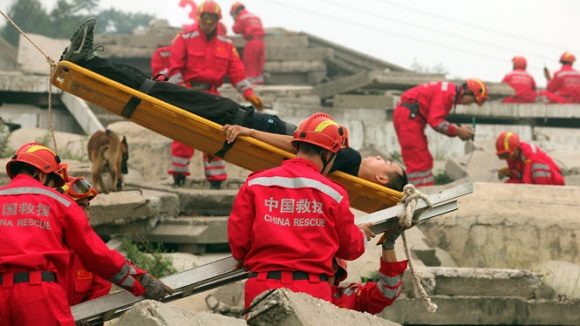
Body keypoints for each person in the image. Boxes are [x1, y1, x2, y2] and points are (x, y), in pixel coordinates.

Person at [60, 19, 407, 192]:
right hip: (232, 110)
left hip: (234, 116)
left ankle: (87, 61)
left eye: (386, 162)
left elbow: (296, 144)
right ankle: (89, 64)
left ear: (379, 176)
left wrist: (247, 128)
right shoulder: (340, 170)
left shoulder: (347, 158)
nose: (381, 156)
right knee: (155, 91)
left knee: (154, 90)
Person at [0, 142, 172, 325]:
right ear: (42, 174)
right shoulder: (60, 203)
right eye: (53, 182)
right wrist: (141, 280)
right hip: (38, 295)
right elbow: (97, 255)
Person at [228, 113, 370, 308]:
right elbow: (350, 248)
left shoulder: (256, 182)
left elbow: (239, 241)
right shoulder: (334, 193)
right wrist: (363, 235)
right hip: (312, 291)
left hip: (262, 286)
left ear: (297, 146)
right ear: (328, 154)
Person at [168, 0, 264, 190]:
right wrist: (181, 93)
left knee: (215, 135)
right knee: (183, 136)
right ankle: (178, 177)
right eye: (206, 18)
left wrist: (249, 94)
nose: (209, 22)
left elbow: (237, 73)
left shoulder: (226, 45)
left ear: (218, 20)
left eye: (212, 18)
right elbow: (174, 69)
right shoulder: (184, 38)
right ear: (199, 17)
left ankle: (216, 180)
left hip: (212, 96)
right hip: (188, 93)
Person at [393, 79, 488, 187]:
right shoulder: (447, 94)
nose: (469, 104)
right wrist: (457, 131)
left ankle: (425, 190)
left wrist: (458, 131)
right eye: (473, 100)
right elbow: (435, 121)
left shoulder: (447, 91)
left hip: (409, 116)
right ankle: (420, 192)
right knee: (419, 162)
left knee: (425, 160)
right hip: (408, 119)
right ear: (468, 92)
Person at [59, 174, 112, 308]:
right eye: (81, 206)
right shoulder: (39, 249)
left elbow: (102, 287)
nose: (87, 216)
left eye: (87, 207)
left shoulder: (91, 249)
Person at [331, 224, 407, 314]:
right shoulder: (311, 289)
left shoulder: (350, 295)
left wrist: (388, 244)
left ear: (335, 268)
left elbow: (388, 290)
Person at [495, 131, 565, 185]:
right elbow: (520, 176)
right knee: (508, 185)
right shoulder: (512, 156)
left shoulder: (530, 153)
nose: (507, 158)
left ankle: (542, 194)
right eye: (502, 156)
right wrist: (511, 173)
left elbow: (527, 180)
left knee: (536, 166)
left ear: (516, 148)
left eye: (507, 155)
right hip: (534, 180)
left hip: (554, 180)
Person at [230, 2, 266, 84]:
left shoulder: (241, 18)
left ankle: (251, 86)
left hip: (252, 42)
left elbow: (236, 30)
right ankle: (259, 84)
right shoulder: (255, 17)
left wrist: (235, 19)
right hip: (261, 42)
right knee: (259, 66)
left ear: (235, 12)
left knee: (250, 65)